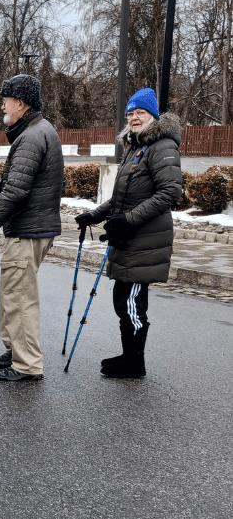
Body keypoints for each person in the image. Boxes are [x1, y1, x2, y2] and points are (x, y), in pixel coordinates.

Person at [75, 88, 181, 378]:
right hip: (130, 236)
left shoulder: (162, 146)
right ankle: (129, 355)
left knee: (131, 301)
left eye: (140, 113)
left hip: (145, 239)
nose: (134, 118)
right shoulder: (136, 147)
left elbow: (171, 192)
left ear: (152, 116)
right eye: (130, 114)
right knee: (124, 299)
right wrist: (95, 215)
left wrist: (129, 220)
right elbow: (122, 197)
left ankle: (135, 363)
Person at [0, 74, 64, 381]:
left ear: (20, 104)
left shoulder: (31, 136)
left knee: (20, 299)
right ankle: (15, 350)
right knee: (12, 293)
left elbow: (16, 190)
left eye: (6, 100)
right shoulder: (38, 130)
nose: (2, 105)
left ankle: (26, 364)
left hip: (28, 230)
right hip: (31, 227)